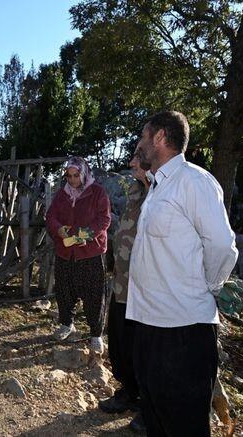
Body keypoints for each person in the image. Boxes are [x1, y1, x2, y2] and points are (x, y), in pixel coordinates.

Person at [126, 111, 238, 436]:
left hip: (184, 333)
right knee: (157, 421)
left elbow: (221, 246)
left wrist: (208, 286)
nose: (140, 144)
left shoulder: (194, 181)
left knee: (184, 426)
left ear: (160, 137)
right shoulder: (158, 187)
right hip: (149, 327)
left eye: (144, 136)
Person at [98, 147, 150, 433]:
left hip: (145, 290)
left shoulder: (163, 193)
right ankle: (128, 392)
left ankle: (149, 406)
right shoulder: (134, 190)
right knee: (120, 341)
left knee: (144, 349)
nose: (131, 162)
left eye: (136, 157)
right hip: (122, 284)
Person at [45, 156, 111, 353]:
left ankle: (96, 334)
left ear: (84, 174)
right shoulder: (62, 195)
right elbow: (51, 216)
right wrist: (59, 230)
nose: (73, 180)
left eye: (76, 175)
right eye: (69, 176)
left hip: (90, 251)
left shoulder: (97, 192)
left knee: (94, 294)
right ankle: (67, 324)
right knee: (64, 290)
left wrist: (87, 235)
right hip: (66, 251)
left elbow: (104, 219)